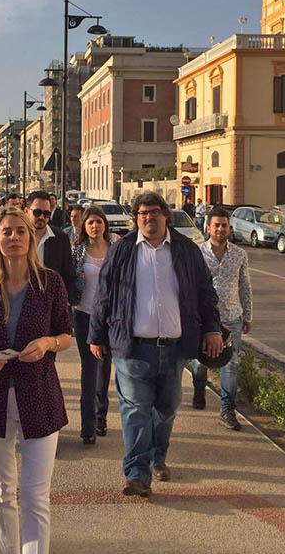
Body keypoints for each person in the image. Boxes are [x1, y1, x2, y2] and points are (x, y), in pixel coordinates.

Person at [89, 191, 222, 497]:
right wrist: (96, 336)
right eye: (143, 213)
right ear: (136, 218)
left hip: (175, 349)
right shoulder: (122, 250)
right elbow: (104, 295)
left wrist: (212, 328)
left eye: (154, 212)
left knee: (167, 408)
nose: (149, 217)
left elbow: (205, 292)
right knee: (135, 409)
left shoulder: (186, 250)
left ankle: (157, 456)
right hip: (132, 348)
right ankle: (137, 473)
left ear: (166, 215)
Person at [0, 207, 73, 554]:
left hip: (39, 394)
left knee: (34, 495)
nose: (13, 238)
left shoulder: (50, 283)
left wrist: (47, 344)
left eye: (20, 232)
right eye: (6, 232)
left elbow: (66, 334)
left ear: (31, 238)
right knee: (0, 492)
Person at [196, 207, 253, 429]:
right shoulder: (198, 252)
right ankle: (199, 388)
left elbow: (245, 286)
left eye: (224, 225)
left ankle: (227, 410)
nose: (220, 229)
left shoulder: (239, 254)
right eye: (216, 225)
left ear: (229, 228)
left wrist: (247, 315)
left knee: (231, 363)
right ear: (208, 227)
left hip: (231, 317)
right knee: (200, 362)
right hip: (203, 317)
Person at [69, 205, 115, 444]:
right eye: (90, 223)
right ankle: (87, 427)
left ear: (105, 225)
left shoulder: (116, 251)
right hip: (84, 315)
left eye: (99, 222)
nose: (95, 226)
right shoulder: (78, 251)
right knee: (89, 370)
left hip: (109, 318)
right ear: (84, 228)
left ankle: (101, 418)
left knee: (104, 369)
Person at [25, 191, 76, 300]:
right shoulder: (18, 237)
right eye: (37, 212)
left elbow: (67, 274)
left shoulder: (60, 238)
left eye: (46, 214)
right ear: (26, 211)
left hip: (50, 302)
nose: (42, 217)